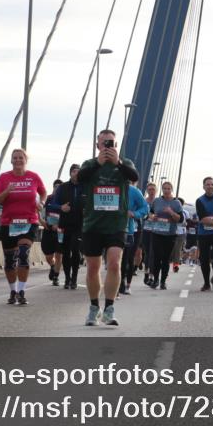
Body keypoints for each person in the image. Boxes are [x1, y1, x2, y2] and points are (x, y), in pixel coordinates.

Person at [77, 130, 139, 326]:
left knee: (114, 264)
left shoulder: (124, 163)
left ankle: (109, 309)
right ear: (97, 146)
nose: (107, 146)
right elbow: (80, 178)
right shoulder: (89, 164)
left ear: (116, 144)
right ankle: (94, 307)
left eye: (110, 143)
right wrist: (98, 162)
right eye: (103, 143)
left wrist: (118, 162)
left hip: (116, 223)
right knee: (93, 267)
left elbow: (134, 176)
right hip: (93, 224)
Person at [0, 148, 45, 306]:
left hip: (29, 221)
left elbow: (43, 192)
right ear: (11, 160)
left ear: (25, 160)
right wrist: (7, 191)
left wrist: (41, 202)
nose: (17, 160)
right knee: (10, 261)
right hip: (8, 223)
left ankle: (22, 291)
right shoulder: (4, 177)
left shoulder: (33, 177)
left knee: (23, 254)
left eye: (20, 158)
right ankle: (13, 290)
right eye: (14, 158)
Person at [148, 181, 185, 290]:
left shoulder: (176, 203)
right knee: (157, 257)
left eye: (169, 188)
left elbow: (180, 219)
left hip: (170, 234)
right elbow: (150, 213)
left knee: (165, 259)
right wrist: (152, 216)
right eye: (164, 188)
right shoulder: (157, 201)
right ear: (162, 189)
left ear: (171, 190)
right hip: (157, 232)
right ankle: (155, 280)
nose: (166, 190)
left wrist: (171, 212)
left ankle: (163, 281)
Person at [55, 163, 85, 290]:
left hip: (79, 224)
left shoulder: (86, 187)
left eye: (78, 171)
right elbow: (53, 204)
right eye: (74, 171)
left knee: (75, 249)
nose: (76, 173)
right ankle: (67, 278)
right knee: (66, 252)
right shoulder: (62, 187)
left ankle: (74, 278)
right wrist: (61, 207)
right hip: (65, 224)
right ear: (70, 173)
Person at [121, 179, 150, 295]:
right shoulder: (110, 188)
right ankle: (119, 284)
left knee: (128, 258)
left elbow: (145, 209)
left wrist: (134, 214)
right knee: (119, 259)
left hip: (132, 230)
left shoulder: (134, 191)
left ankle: (127, 284)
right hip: (113, 229)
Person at [40, 179, 64, 286]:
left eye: (59, 187)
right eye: (55, 186)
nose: (57, 188)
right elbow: (41, 212)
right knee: (48, 255)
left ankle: (56, 277)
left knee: (59, 254)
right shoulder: (48, 199)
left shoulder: (65, 200)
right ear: (53, 187)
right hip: (48, 229)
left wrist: (60, 225)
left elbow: (68, 215)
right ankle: (53, 266)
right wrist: (42, 221)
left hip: (60, 230)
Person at [141, 182, 158, 286]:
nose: (151, 191)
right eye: (150, 189)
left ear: (156, 191)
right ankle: (146, 273)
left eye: (153, 189)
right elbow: (140, 213)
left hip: (157, 231)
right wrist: (148, 217)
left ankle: (152, 275)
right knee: (147, 253)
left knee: (154, 253)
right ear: (147, 191)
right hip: (145, 230)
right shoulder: (143, 201)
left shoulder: (159, 202)